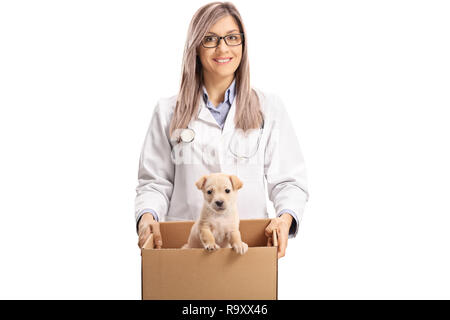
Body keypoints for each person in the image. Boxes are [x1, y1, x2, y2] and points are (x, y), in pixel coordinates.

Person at [135, 2, 309, 258]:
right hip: (186, 250)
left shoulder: (268, 108)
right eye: (210, 39)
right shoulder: (168, 111)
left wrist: (284, 220)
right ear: (195, 46)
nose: (222, 48)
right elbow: (154, 183)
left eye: (231, 37)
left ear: (243, 44)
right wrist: (147, 218)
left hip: (248, 250)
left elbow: (288, 182)